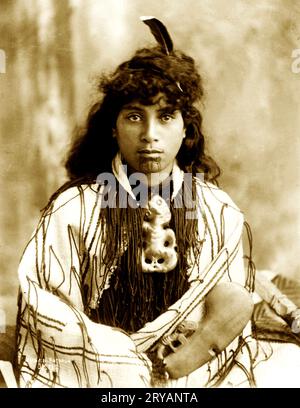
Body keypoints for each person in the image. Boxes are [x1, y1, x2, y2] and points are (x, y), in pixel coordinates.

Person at [14, 19, 258, 388]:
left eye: (165, 117)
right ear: (113, 127)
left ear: (185, 127)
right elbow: (49, 310)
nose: (149, 136)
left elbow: (225, 324)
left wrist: (179, 363)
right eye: (133, 117)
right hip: (97, 374)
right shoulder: (74, 209)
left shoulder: (215, 210)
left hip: (191, 376)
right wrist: (123, 360)